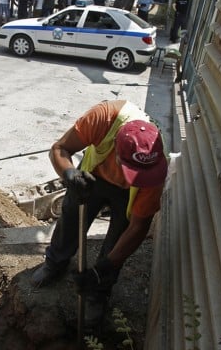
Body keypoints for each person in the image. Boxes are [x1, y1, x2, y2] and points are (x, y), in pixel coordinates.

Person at [30, 100, 168, 327]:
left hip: (127, 196)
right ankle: (55, 263)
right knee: (71, 218)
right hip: (92, 177)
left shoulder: (153, 172)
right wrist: (70, 175)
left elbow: (138, 226)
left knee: (117, 238)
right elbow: (59, 148)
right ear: (116, 151)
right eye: (131, 173)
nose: (133, 179)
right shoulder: (103, 118)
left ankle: (98, 292)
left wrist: (105, 268)